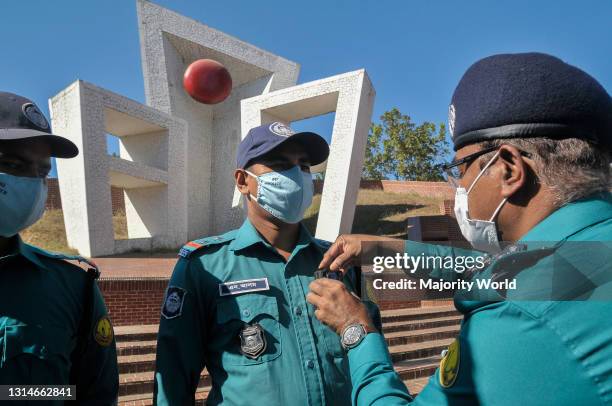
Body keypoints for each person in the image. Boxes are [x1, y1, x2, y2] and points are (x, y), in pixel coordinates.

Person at [307, 53, 612, 405]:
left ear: (508, 168)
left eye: (462, 168)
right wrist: (382, 248)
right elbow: (486, 267)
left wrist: (355, 331)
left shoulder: (521, 311)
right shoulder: (583, 255)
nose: (459, 186)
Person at [154, 122, 380, 405]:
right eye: (279, 164)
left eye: (304, 166)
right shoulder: (204, 266)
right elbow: (173, 381)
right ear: (242, 180)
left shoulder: (343, 262)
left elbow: (371, 352)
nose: (297, 175)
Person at [0, 92, 119, 404]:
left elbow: (87, 392)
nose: (30, 181)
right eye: (11, 163)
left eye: (41, 171)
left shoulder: (71, 285)